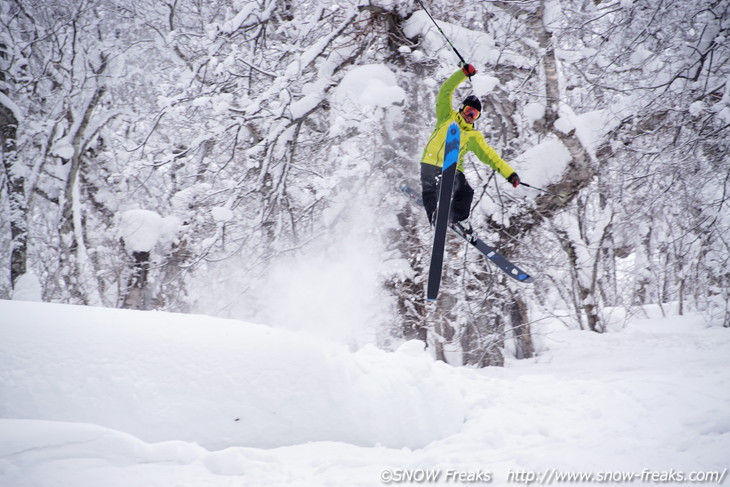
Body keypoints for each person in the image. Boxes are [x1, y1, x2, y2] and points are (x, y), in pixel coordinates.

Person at [420, 63, 520, 233]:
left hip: (452, 170)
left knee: (466, 191)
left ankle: (457, 217)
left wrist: (509, 174)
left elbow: (491, 156)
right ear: (461, 109)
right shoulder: (446, 116)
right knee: (430, 190)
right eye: (467, 111)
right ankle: (435, 218)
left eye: (474, 115)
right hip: (430, 163)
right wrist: (462, 74)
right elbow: (445, 90)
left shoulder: (473, 136)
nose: (469, 116)